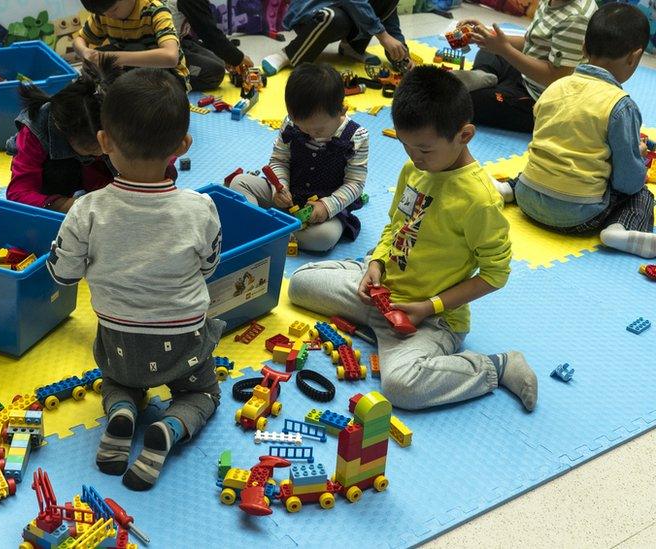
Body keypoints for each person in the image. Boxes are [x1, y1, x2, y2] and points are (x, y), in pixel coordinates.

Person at [287, 66, 537, 412]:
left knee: (402, 387)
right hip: (382, 295)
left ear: (464, 135)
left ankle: (497, 366)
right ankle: (362, 279)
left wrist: (428, 307)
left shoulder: (480, 200)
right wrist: (375, 263)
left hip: (429, 317)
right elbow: (395, 225)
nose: (415, 159)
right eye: (406, 147)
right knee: (299, 283)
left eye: (424, 150)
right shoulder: (414, 169)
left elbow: (496, 275)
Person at [47, 69, 224, 490]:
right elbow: (208, 269)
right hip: (182, 341)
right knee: (202, 394)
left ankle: (123, 409)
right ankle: (171, 428)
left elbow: (63, 274)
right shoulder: (201, 209)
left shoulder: (86, 209)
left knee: (114, 380)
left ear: (104, 142)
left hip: (120, 342)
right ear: (182, 146)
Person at [504, 3, 656, 258]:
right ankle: (620, 229)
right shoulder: (621, 106)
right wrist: (637, 156)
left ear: (584, 48)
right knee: (642, 194)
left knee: (553, 157)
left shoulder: (555, 86)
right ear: (634, 57)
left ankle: (509, 188)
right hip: (579, 217)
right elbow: (627, 182)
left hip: (528, 198)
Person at [228, 63, 368, 253]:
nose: (311, 134)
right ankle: (268, 227)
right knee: (239, 182)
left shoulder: (355, 136)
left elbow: (355, 184)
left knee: (324, 238)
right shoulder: (291, 124)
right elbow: (279, 160)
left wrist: (326, 207)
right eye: (302, 127)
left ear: (341, 110)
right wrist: (280, 187)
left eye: (318, 130)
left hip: (321, 209)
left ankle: (262, 228)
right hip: (288, 196)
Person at [453, 0, 597, 133]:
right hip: (527, 70)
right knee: (488, 50)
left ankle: (486, 80)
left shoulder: (575, 18)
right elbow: (532, 43)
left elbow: (556, 78)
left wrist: (504, 49)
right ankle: (484, 75)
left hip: (539, 98)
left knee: (462, 102)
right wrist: (490, 38)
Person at [5, 58, 122, 213]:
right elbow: (18, 194)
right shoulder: (35, 131)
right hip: (58, 181)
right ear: (61, 128)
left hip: (95, 181)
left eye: (106, 145)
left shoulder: (120, 120)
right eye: (92, 151)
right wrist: (69, 205)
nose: (100, 152)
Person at [261, 0, 409, 76]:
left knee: (381, 4)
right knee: (335, 18)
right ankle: (288, 53)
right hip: (311, 13)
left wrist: (401, 56)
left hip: (340, 9)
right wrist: (383, 36)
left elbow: (390, 18)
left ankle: (352, 48)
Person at [75, 0, 190, 90]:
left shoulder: (155, 10)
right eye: (102, 13)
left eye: (114, 9)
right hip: (137, 72)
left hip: (168, 76)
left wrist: (112, 57)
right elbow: (79, 40)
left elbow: (170, 57)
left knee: (205, 69)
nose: (109, 16)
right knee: (97, 59)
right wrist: (85, 52)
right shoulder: (104, 14)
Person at [166, 0, 254, 91]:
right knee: (214, 73)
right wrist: (238, 58)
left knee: (221, 62)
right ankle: (164, 78)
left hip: (180, 41)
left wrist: (227, 57)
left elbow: (206, 31)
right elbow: (209, 34)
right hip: (164, 50)